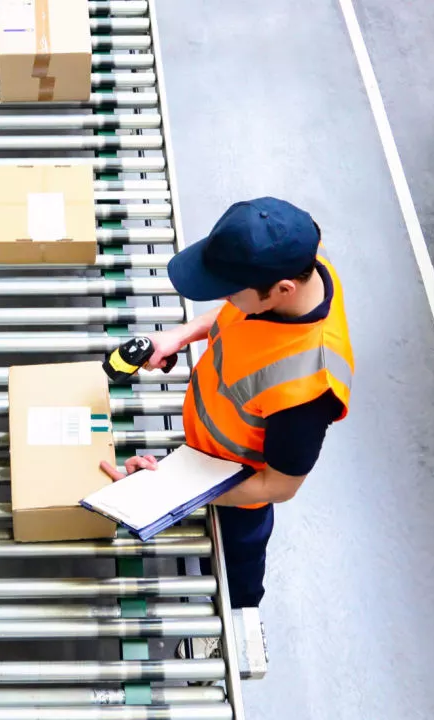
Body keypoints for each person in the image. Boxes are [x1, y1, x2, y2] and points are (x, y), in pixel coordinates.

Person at [100, 197, 355, 666]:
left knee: (239, 560)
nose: (225, 299)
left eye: (231, 290)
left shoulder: (307, 388)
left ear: (279, 290)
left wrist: (171, 491)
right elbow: (234, 316)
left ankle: (237, 627)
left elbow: (278, 485)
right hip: (205, 449)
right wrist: (177, 336)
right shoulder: (302, 270)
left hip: (239, 486)